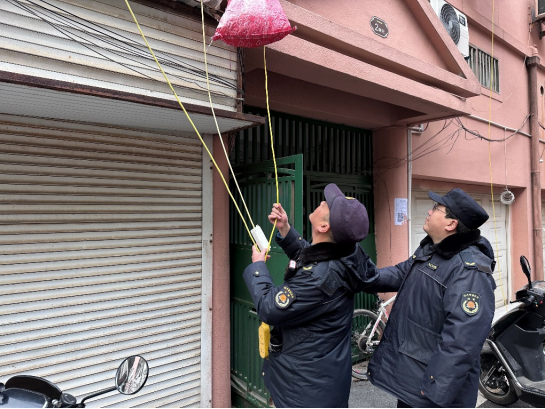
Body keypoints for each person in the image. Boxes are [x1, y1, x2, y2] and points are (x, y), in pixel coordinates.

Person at [243, 184, 374, 408]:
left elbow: (268, 307)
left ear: (323, 226)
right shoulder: (337, 258)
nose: (322, 201)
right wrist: (285, 229)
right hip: (320, 385)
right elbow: (309, 256)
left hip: (305, 393)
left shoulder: (319, 277)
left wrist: (258, 267)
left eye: (327, 204)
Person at [364, 189, 497, 408]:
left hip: (434, 391)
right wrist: (363, 274)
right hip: (414, 378)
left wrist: (435, 387)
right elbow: (400, 273)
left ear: (451, 224)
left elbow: (462, 339)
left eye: (436, 208)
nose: (429, 211)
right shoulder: (430, 250)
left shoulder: (469, 270)